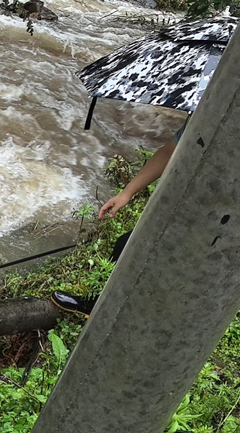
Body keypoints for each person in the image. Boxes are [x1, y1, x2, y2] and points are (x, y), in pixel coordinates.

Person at [51, 119, 188, 317]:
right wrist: (127, 192)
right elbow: (169, 151)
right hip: (181, 206)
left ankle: (100, 307)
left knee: (133, 248)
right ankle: (98, 301)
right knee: (126, 244)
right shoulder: (209, 112)